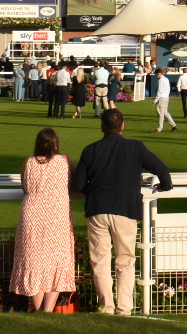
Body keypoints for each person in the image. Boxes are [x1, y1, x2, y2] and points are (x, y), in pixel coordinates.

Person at [69, 108, 173, 315]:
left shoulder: (91, 150)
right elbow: (162, 169)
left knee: (100, 261)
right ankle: (124, 308)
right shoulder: (135, 147)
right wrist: (166, 186)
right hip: (125, 209)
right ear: (123, 126)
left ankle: (107, 307)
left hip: (98, 209)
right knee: (125, 260)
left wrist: (96, 191)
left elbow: (78, 184)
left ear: (102, 127)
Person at [9, 127, 78, 312]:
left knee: (33, 262)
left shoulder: (28, 163)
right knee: (56, 261)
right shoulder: (65, 161)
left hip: (32, 217)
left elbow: (25, 187)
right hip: (57, 216)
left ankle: (40, 309)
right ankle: (47, 310)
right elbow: (76, 183)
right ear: (55, 144)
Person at [151, 66, 178, 133]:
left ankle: (159, 128)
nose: (156, 76)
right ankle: (174, 125)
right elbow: (168, 89)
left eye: (156, 75)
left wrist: (156, 100)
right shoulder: (166, 79)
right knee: (165, 113)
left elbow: (160, 91)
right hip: (166, 97)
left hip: (162, 98)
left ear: (158, 74)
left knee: (160, 113)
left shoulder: (160, 81)